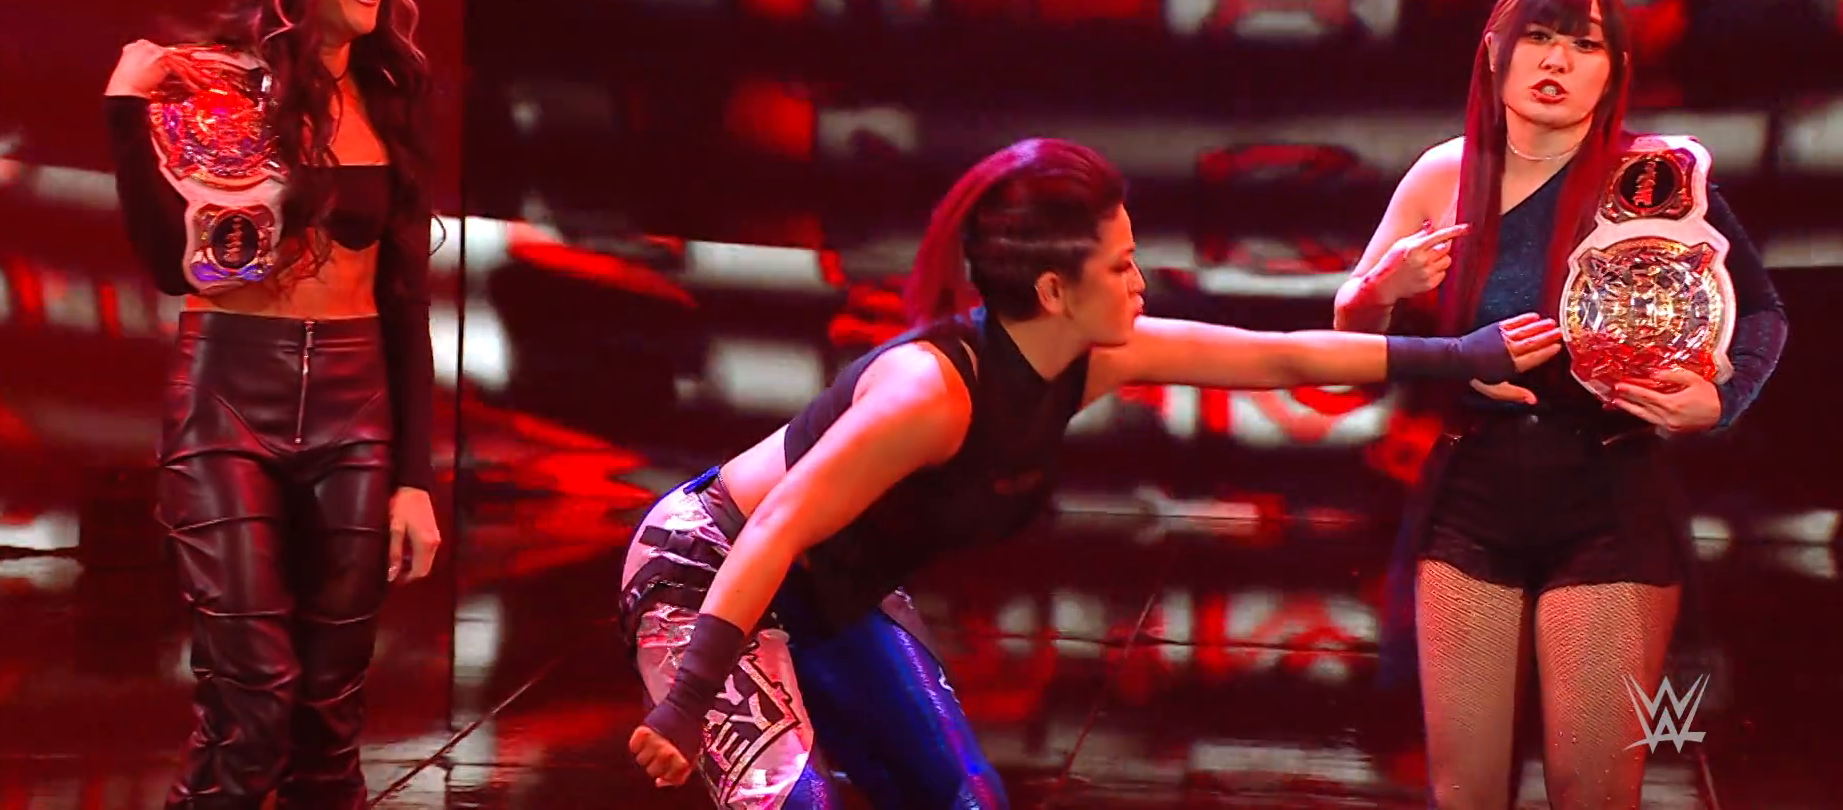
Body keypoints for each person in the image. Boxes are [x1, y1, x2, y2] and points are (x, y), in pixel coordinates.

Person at [620, 136, 1566, 809]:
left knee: (965, 798)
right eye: (1122, 266)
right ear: (1053, 291)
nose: (1140, 282)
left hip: (833, 590)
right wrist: (688, 699)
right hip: (712, 570)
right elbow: (775, 527)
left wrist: (1460, 354)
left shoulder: (1094, 353)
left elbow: (1280, 356)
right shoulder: (927, 395)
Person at [1335, 0, 1789, 808]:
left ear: (1615, 69)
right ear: (1494, 54)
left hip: (1610, 499)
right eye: (1538, 38)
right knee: (1465, 793)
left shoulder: (1655, 180)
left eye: (1585, 45)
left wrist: (1722, 400)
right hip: (1471, 498)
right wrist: (1380, 294)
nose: (1556, 61)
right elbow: (1352, 337)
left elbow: (1763, 313)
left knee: (1594, 791)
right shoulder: (1443, 175)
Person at [102, 0, 443, 809]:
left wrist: (415, 477)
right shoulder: (219, 92)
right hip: (229, 402)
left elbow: (404, 301)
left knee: (328, 721)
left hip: (355, 408)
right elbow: (175, 267)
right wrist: (127, 111)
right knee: (252, 702)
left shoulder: (388, 97)